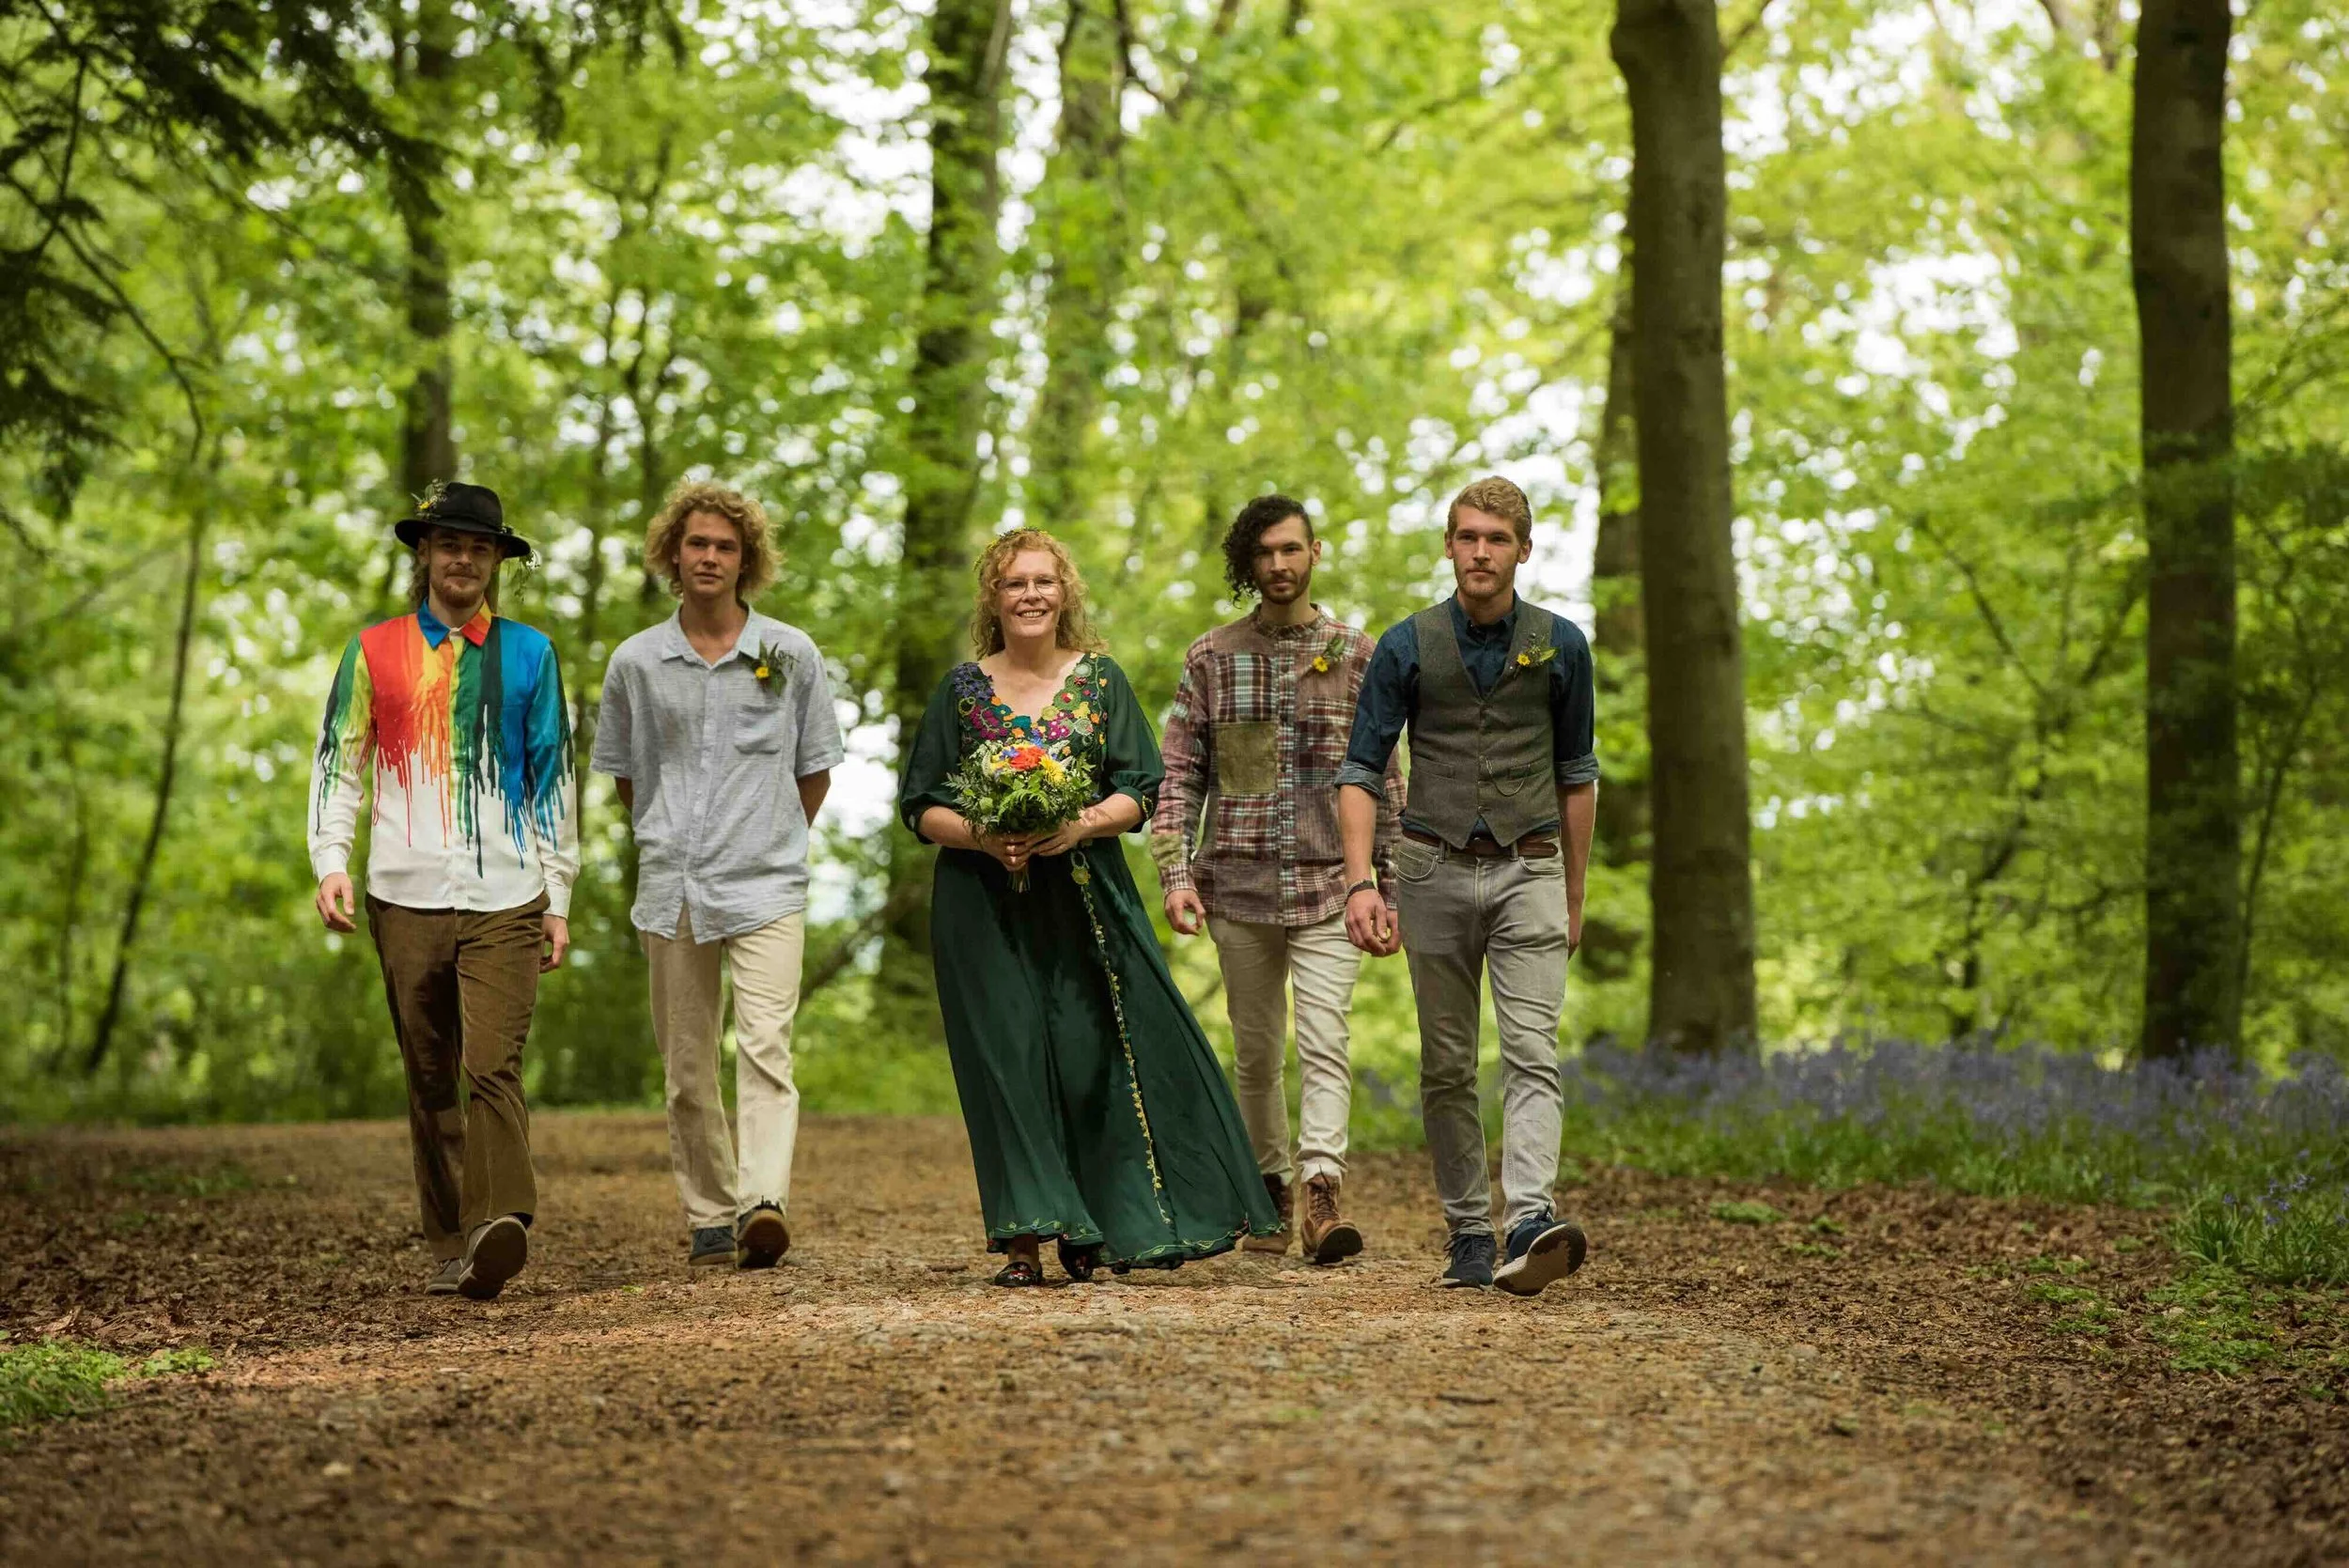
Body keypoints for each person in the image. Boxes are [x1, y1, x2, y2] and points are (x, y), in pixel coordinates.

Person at [896, 528, 1280, 1285]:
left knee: (1086, 1063)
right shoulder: (961, 690)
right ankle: (1023, 1239)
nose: (1031, 595)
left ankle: (1090, 1224)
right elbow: (921, 805)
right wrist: (983, 836)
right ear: (993, 598)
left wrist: (1080, 823)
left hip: (1084, 900)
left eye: (1044, 581)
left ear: (1064, 592)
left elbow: (1142, 788)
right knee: (1008, 1063)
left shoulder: (1100, 681)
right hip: (982, 906)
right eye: (1015, 583)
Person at [309, 481, 578, 1301]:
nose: (464, 559)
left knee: (492, 1061)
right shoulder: (373, 650)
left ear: (497, 561)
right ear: (425, 553)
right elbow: (339, 762)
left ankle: (499, 1221)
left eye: (480, 547)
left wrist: (559, 894)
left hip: (508, 892)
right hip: (403, 890)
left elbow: (553, 780)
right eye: (450, 544)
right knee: (430, 1076)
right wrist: (331, 859)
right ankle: (454, 1242)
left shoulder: (531, 655)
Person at [1334, 474, 1597, 1296]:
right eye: (1468, 536)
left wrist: (1574, 894)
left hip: (1530, 867)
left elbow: (1578, 775)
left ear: (1524, 550)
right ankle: (1469, 1234)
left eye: (1497, 539)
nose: (1481, 552)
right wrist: (1359, 884)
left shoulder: (1562, 644)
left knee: (1532, 1052)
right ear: (1449, 546)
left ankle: (1529, 1219)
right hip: (1431, 866)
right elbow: (1361, 770)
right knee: (1447, 1063)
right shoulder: (1406, 645)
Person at [593, 482, 842, 1271]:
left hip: (768, 884)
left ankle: (762, 1202)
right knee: (687, 1062)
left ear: (746, 560)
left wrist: (766, 833)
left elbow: (814, 770)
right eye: (696, 543)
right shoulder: (636, 662)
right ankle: (709, 1210)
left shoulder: (789, 653)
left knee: (766, 1045)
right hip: (673, 885)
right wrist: (674, 834)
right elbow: (628, 776)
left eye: (725, 546)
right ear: (673, 553)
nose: (709, 557)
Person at [1150, 494, 1401, 1265]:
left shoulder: (1359, 655)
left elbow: (1386, 777)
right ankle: (1269, 1188)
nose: (1280, 564)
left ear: (1315, 552)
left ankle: (1323, 1193)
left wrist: (1389, 885)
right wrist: (1175, 873)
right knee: (1257, 1052)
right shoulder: (1211, 657)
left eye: (1292, 549)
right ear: (1248, 562)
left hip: (1333, 887)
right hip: (1238, 887)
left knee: (1326, 1039)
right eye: (1265, 553)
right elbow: (1179, 774)